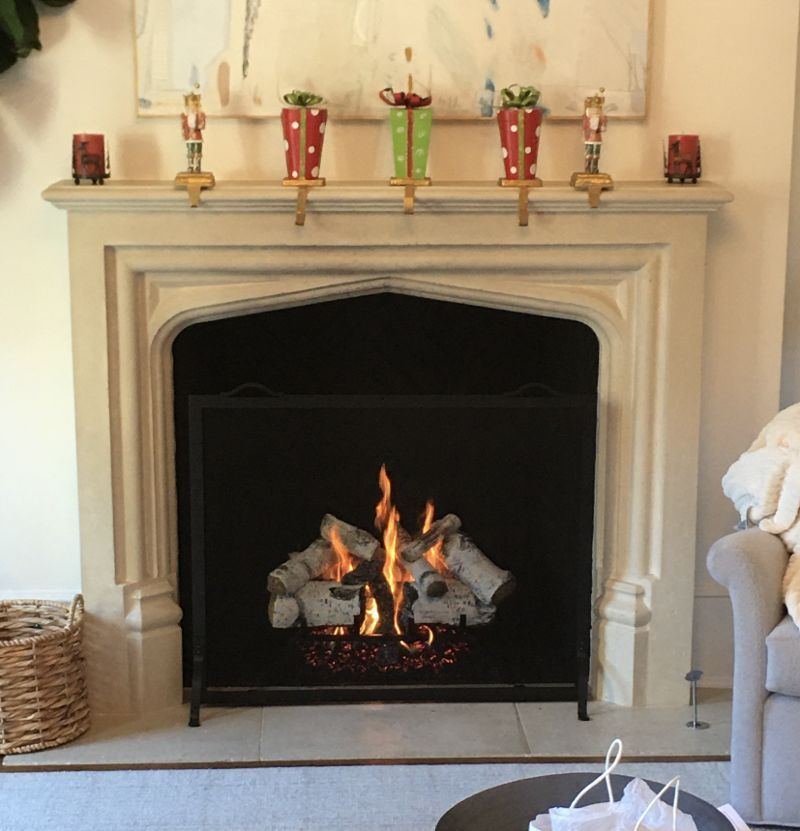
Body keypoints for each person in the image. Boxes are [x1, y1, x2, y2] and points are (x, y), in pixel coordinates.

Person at [181, 85, 206, 173]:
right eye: (191, 104)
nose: (192, 107)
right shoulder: (185, 116)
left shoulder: (200, 115)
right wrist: (184, 134)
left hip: (197, 137)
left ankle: (197, 166)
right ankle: (190, 166)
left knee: (197, 152)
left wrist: (200, 118)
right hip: (189, 137)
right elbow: (184, 126)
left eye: (195, 105)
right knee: (190, 151)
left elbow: (201, 126)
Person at [582, 88, 607, 174]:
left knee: (596, 155)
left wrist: (602, 125)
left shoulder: (600, 118)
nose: (595, 111)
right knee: (588, 155)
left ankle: (595, 169)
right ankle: (587, 169)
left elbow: (603, 127)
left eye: (596, 110)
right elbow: (585, 128)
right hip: (589, 139)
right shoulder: (587, 119)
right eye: (593, 109)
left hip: (597, 139)